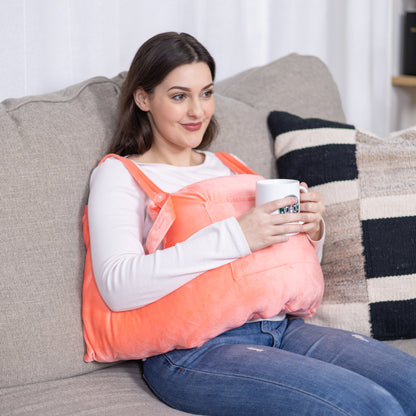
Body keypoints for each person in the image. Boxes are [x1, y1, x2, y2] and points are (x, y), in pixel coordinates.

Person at [87, 32, 416, 416]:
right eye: (179, 96)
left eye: (206, 93)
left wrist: (313, 231)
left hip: (282, 327)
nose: (197, 111)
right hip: (194, 352)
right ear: (143, 98)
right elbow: (119, 287)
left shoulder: (228, 165)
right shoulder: (120, 174)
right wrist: (238, 234)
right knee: (370, 406)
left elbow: (271, 262)